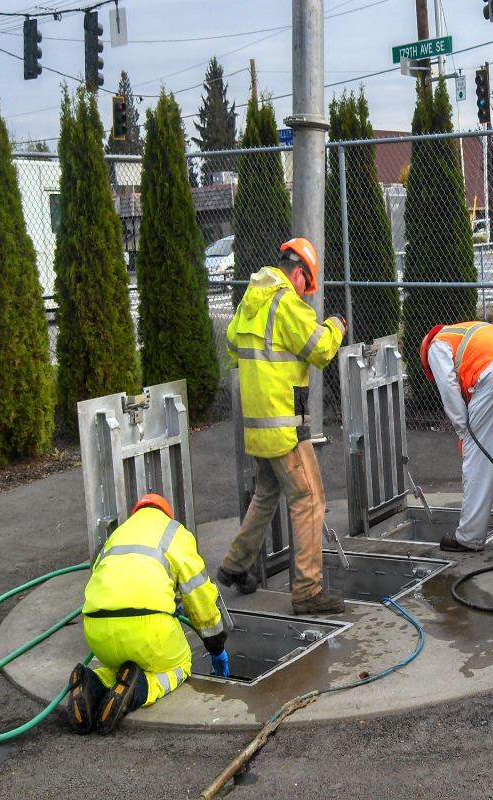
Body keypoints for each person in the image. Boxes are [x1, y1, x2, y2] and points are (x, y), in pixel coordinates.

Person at [216, 237, 347, 614]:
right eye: (308, 284)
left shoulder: (250, 302)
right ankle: (307, 590)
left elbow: (231, 345)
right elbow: (321, 349)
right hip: (283, 426)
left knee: (266, 494)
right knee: (308, 499)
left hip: (258, 425)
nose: (308, 293)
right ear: (300, 273)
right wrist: (336, 325)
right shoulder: (286, 302)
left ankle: (235, 565)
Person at [66, 493, 228, 736]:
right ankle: (140, 689)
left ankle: (92, 684)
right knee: (180, 664)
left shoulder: (117, 535)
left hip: (97, 630)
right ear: (166, 513)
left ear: (137, 512)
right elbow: (199, 594)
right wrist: (215, 644)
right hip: (147, 628)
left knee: (118, 668)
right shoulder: (175, 533)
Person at [420, 320, 493, 552]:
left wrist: (464, 432)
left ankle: (470, 537)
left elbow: (449, 390)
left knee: (478, 455)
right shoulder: (462, 332)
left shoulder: (435, 346)